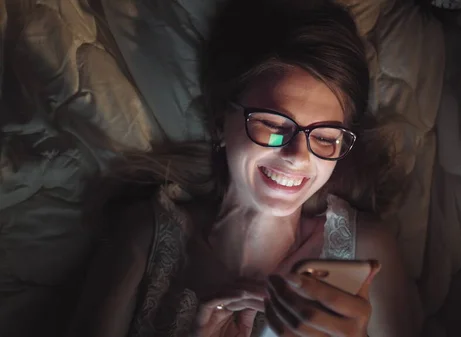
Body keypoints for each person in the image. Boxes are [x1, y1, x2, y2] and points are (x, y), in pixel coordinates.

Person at [68, 0, 421, 336]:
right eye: (273, 124)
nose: (298, 156)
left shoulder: (368, 249)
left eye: (326, 138)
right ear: (221, 122)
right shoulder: (142, 238)